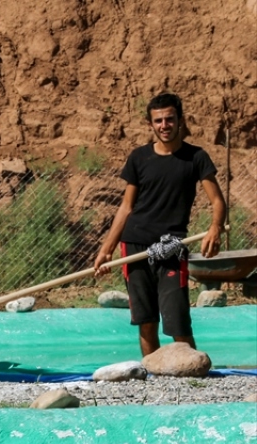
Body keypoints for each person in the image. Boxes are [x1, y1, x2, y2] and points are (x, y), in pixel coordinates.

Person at [94, 92, 225, 357]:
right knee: (146, 322)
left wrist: (215, 228)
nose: (164, 125)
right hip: (135, 244)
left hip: (172, 246)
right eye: (158, 121)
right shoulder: (139, 158)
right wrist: (106, 250)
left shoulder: (196, 157)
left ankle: (191, 372)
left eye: (169, 119)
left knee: (178, 322)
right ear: (150, 124)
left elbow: (218, 201)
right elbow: (126, 207)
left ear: (180, 120)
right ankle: (153, 373)